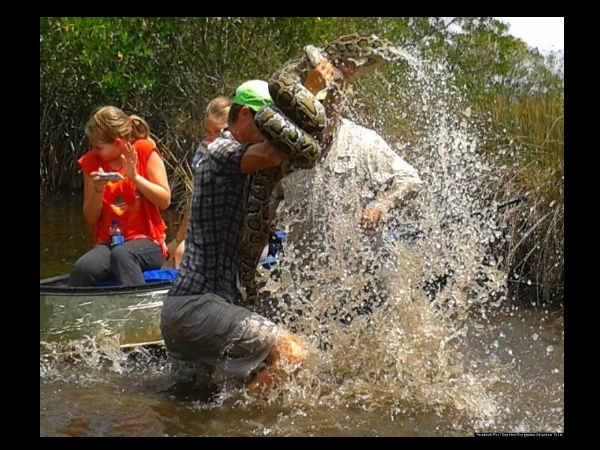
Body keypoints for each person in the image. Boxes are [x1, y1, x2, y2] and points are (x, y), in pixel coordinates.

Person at [160, 80, 307, 395]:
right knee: (293, 352)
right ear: (243, 114)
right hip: (197, 307)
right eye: (268, 122)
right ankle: (241, 423)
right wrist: (308, 90)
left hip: (193, 312)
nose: (273, 132)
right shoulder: (220, 150)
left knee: (197, 405)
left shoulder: (238, 162)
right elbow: (278, 150)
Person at [68, 106, 171, 287]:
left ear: (117, 142)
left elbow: (164, 201)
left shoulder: (144, 150)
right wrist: (98, 191)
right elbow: (90, 217)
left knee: (122, 254)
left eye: (98, 147)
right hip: (109, 242)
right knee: (83, 268)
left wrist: (135, 178)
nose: (94, 151)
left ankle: (138, 308)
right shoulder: (91, 161)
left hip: (147, 242)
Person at [167, 97, 233, 269]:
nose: (211, 139)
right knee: (181, 251)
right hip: (208, 224)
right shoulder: (204, 150)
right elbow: (196, 200)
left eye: (217, 132)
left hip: (232, 224)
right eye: (208, 132)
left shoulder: (241, 152)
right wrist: (177, 240)